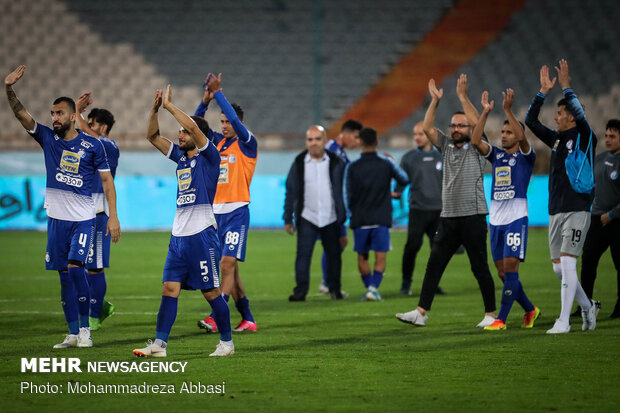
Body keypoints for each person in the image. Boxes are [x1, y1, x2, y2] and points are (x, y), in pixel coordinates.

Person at [4, 65, 121, 349]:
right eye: (52, 113)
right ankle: (71, 333)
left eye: (59, 113)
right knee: (64, 276)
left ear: (71, 116)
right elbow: (22, 116)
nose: (54, 118)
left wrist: (113, 217)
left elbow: (107, 182)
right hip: (56, 221)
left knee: (77, 268)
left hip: (83, 219)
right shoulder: (48, 139)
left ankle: (85, 331)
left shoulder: (93, 146)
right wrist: (9, 88)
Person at [133, 86, 233, 357]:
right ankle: (160, 345)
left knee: (211, 292)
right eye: (180, 132)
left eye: (185, 132)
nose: (180, 134)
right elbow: (151, 136)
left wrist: (169, 106)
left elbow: (192, 124)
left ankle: (226, 343)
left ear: (197, 136)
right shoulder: (180, 159)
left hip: (202, 235)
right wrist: (154, 109)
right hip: (178, 236)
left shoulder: (210, 157)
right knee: (169, 287)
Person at [396, 75, 497, 327]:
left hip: (473, 216)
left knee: (479, 267)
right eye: (453, 125)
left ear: (470, 129)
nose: (456, 129)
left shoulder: (478, 146)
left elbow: (477, 126)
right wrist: (435, 101)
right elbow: (428, 128)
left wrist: (463, 97)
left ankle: (490, 315)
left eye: (461, 125)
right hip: (449, 216)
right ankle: (420, 312)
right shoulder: (447, 145)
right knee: (434, 264)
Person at [524, 59, 599, 334]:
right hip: (555, 209)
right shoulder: (556, 140)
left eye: (559, 113)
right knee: (559, 270)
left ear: (571, 116)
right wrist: (542, 92)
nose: (555, 117)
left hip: (577, 208)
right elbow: (530, 121)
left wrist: (567, 87)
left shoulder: (585, 137)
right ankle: (588, 306)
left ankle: (564, 321)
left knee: (568, 263)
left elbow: (580, 113)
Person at [469, 89, 540, 330]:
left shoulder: (526, 157)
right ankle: (530, 310)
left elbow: (523, 139)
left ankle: (501, 319)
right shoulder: (496, 155)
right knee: (502, 273)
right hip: (496, 221)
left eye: (509, 131)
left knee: (510, 269)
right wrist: (486, 113)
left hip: (516, 219)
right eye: (502, 131)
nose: (504, 135)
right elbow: (475, 141)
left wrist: (508, 110)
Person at [195, 73, 258, 333]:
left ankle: (215, 315)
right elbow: (196, 127)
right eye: (220, 122)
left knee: (226, 265)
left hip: (236, 212)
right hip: (215, 214)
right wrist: (206, 101)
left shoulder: (247, 143)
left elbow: (233, 118)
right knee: (231, 270)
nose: (223, 125)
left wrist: (219, 94)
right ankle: (249, 319)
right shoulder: (217, 143)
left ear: (237, 123)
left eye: (227, 122)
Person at [284, 125, 347, 301]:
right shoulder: (299, 162)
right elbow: (290, 191)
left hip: (331, 216)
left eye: (318, 139)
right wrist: (288, 218)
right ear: (306, 142)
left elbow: (344, 189)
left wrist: (343, 216)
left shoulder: (336, 161)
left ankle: (335, 289)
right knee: (303, 256)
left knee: (334, 257)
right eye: (310, 139)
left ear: (325, 140)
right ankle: (300, 291)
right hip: (307, 216)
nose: (314, 143)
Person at [346, 127, 409, 301]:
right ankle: (373, 289)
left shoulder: (353, 167)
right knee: (380, 255)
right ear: (377, 142)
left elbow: (349, 195)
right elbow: (404, 178)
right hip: (381, 217)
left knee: (362, 257)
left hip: (361, 219)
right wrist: (394, 192)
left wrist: (352, 214)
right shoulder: (386, 164)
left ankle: (369, 289)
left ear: (360, 142)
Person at [75, 93, 119, 331]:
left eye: (91, 124)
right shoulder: (89, 147)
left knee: (95, 265)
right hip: (80, 211)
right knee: (77, 263)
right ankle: (98, 306)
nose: (87, 128)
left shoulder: (109, 146)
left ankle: (94, 316)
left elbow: (86, 133)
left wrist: (76, 112)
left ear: (102, 128)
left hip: (99, 213)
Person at [393, 121, 446, 296]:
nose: (417, 137)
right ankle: (405, 284)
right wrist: (396, 193)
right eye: (415, 134)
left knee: (438, 251)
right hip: (418, 210)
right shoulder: (408, 158)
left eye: (420, 134)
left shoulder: (442, 156)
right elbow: (401, 181)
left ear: (430, 135)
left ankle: (434, 285)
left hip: (438, 211)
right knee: (412, 247)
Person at [579, 119, 620, 318]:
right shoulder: (599, 159)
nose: (608, 139)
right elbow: (591, 187)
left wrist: (611, 215)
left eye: (613, 136)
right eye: (606, 135)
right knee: (587, 261)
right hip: (596, 220)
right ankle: (584, 305)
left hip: (616, 221)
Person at [317, 119, 362, 296]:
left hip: (337, 207)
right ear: (347, 134)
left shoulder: (340, 152)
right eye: (356, 137)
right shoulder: (331, 149)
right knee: (334, 244)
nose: (357, 141)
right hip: (329, 206)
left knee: (340, 242)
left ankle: (327, 282)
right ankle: (327, 283)